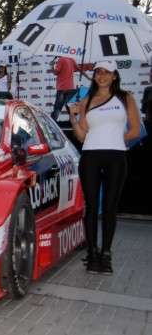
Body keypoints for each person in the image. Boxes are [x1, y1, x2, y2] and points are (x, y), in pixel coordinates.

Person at [68, 60, 141, 275]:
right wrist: (73, 118)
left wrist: (115, 140)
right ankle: (92, 253)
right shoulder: (86, 101)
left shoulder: (125, 98)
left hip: (116, 157)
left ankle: (106, 255)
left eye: (107, 72)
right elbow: (81, 136)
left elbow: (135, 131)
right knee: (91, 207)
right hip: (90, 156)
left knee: (110, 207)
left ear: (115, 76)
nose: (102, 76)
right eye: (98, 72)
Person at [50, 56, 90, 121]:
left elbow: (55, 73)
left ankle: (51, 128)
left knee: (57, 110)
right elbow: (79, 69)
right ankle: (73, 128)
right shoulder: (71, 59)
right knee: (71, 111)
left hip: (62, 90)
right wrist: (88, 77)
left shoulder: (61, 60)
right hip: (70, 89)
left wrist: (51, 66)